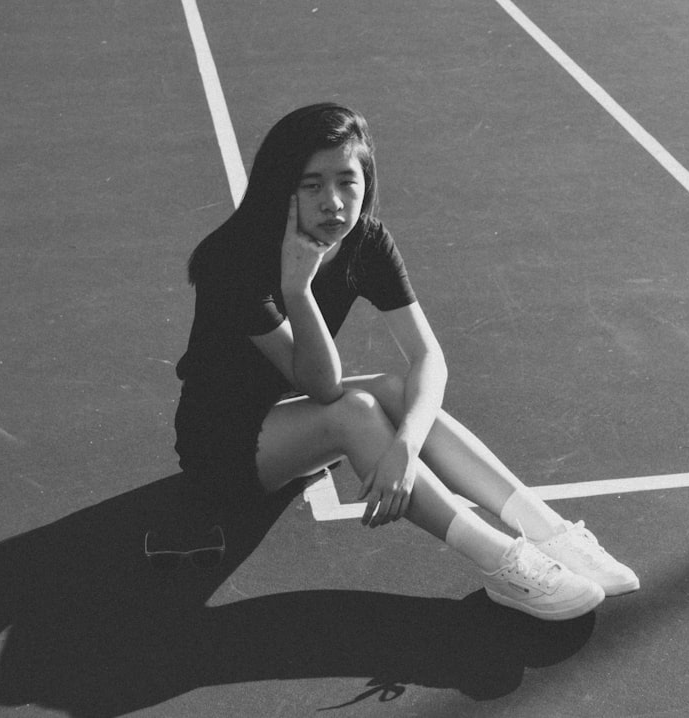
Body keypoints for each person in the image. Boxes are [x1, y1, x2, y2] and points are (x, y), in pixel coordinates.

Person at [173, 102, 638, 620]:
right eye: (312, 185)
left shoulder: (365, 240)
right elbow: (324, 388)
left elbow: (427, 356)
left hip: (286, 409)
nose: (334, 203)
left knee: (398, 391)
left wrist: (406, 448)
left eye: (347, 181)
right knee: (354, 412)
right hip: (221, 447)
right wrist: (297, 289)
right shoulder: (233, 260)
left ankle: (550, 533)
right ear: (282, 189)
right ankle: (503, 563)